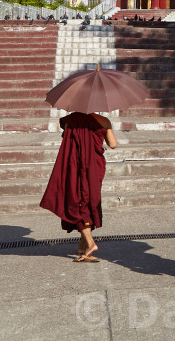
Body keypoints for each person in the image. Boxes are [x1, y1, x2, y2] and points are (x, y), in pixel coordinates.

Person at [39, 112, 118, 262]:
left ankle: (90, 243)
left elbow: (67, 142)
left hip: (75, 166)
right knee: (87, 200)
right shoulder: (103, 121)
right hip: (95, 168)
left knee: (77, 200)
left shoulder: (70, 120)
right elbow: (113, 145)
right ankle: (83, 244)